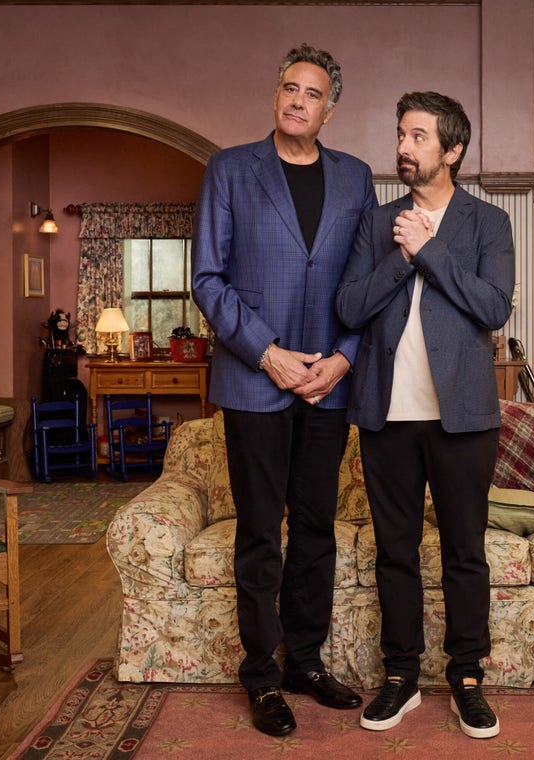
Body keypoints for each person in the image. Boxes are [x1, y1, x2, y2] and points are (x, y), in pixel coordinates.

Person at [191, 42, 377, 737]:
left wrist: (345, 359)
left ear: (331, 109)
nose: (298, 100)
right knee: (261, 532)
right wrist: (267, 354)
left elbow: (369, 282)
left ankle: (304, 662)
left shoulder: (356, 178)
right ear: (276, 95)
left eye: (312, 93)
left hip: (327, 386)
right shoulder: (230, 169)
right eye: (289, 88)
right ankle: (262, 677)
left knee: (316, 530)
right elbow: (207, 278)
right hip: (254, 381)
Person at [335, 91, 515, 740]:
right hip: (387, 416)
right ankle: (401, 677)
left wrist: (431, 251)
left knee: (465, 553)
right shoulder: (377, 223)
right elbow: (350, 306)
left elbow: (493, 307)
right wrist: (402, 255)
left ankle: (467, 678)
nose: (403, 147)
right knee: (396, 553)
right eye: (401, 134)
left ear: (453, 150)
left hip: (463, 418)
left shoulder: (488, 223)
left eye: (418, 136)